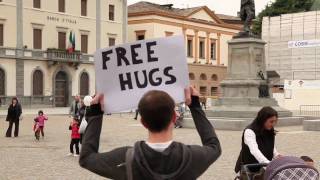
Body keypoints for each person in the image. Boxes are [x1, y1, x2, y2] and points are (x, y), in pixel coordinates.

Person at [79, 86, 221, 179]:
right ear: (174, 117)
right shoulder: (191, 157)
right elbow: (214, 146)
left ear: (143, 122)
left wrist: (96, 113)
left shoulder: (126, 158)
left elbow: (86, 158)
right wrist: (195, 105)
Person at [235, 107, 281, 174]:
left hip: (265, 167)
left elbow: (270, 145)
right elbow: (254, 150)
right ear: (263, 120)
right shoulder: (249, 131)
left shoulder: (269, 129)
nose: (273, 124)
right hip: (251, 168)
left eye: (275, 121)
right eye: (271, 121)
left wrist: (276, 155)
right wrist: (267, 163)